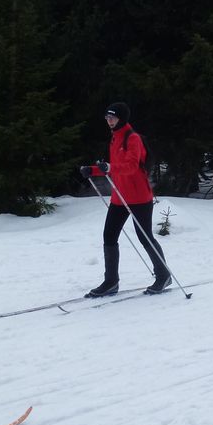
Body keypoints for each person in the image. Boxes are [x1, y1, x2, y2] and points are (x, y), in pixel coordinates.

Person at [80, 103, 171, 298]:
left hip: (139, 197)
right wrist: (92, 170)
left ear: (121, 118)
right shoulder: (115, 138)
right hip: (119, 197)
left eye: (112, 117)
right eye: (107, 117)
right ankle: (111, 282)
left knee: (144, 236)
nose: (109, 120)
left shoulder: (133, 138)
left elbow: (130, 166)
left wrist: (109, 167)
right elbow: (113, 167)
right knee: (109, 236)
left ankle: (163, 275)